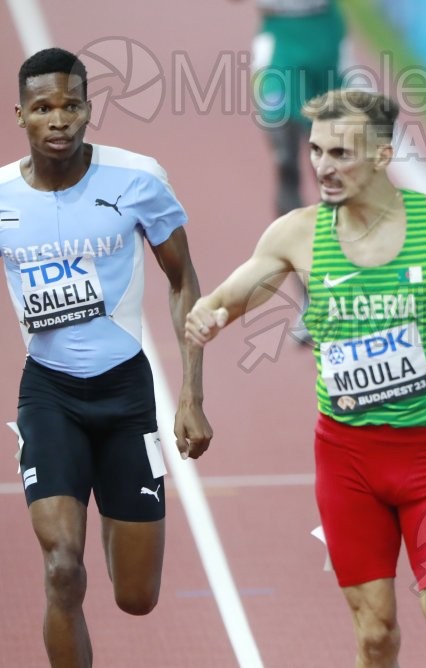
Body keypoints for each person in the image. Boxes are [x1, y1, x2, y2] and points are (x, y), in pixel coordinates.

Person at [186, 88, 426, 667]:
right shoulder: (297, 234)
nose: (322, 166)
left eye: (340, 153)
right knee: (375, 633)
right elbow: (232, 294)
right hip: (347, 461)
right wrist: (210, 313)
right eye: (316, 151)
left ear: (382, 156)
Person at [1, 48, 213, 667]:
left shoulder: (137, 180)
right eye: (44, 108)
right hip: (49, 394)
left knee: (136, 597)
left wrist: (192, 396)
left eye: (71, 105)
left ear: (89, 109)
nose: (59, 119)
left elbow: (182, 280)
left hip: (126, 395)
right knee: (63, 569)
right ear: (22, 116)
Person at [237, 0, 346, 216]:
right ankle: (291, 238)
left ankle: (338, 232)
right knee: (284, 148)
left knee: (331, 155)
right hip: (280, 37)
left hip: (325, 34)